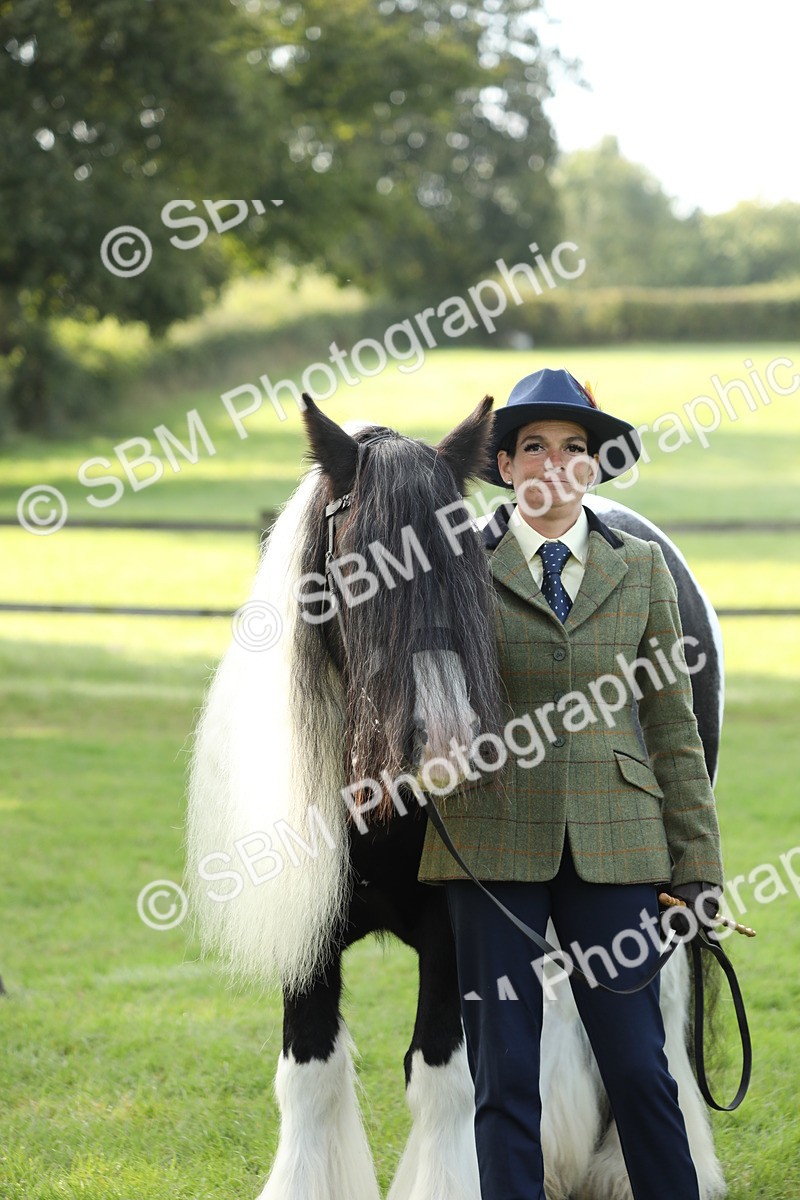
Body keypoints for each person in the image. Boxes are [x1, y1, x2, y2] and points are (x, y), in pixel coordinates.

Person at [416, 368, 725, 1200]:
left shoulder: (643, 571)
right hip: (492, 845)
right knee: (504, 1080)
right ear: (508, 466)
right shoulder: (455, 571)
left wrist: (696, 865)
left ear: (595, 465)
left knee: (641, 1071)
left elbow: (673, 728)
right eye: (534, 448)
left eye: (575, 448)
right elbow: (431, 712)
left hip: (618, 847)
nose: (555, 465)